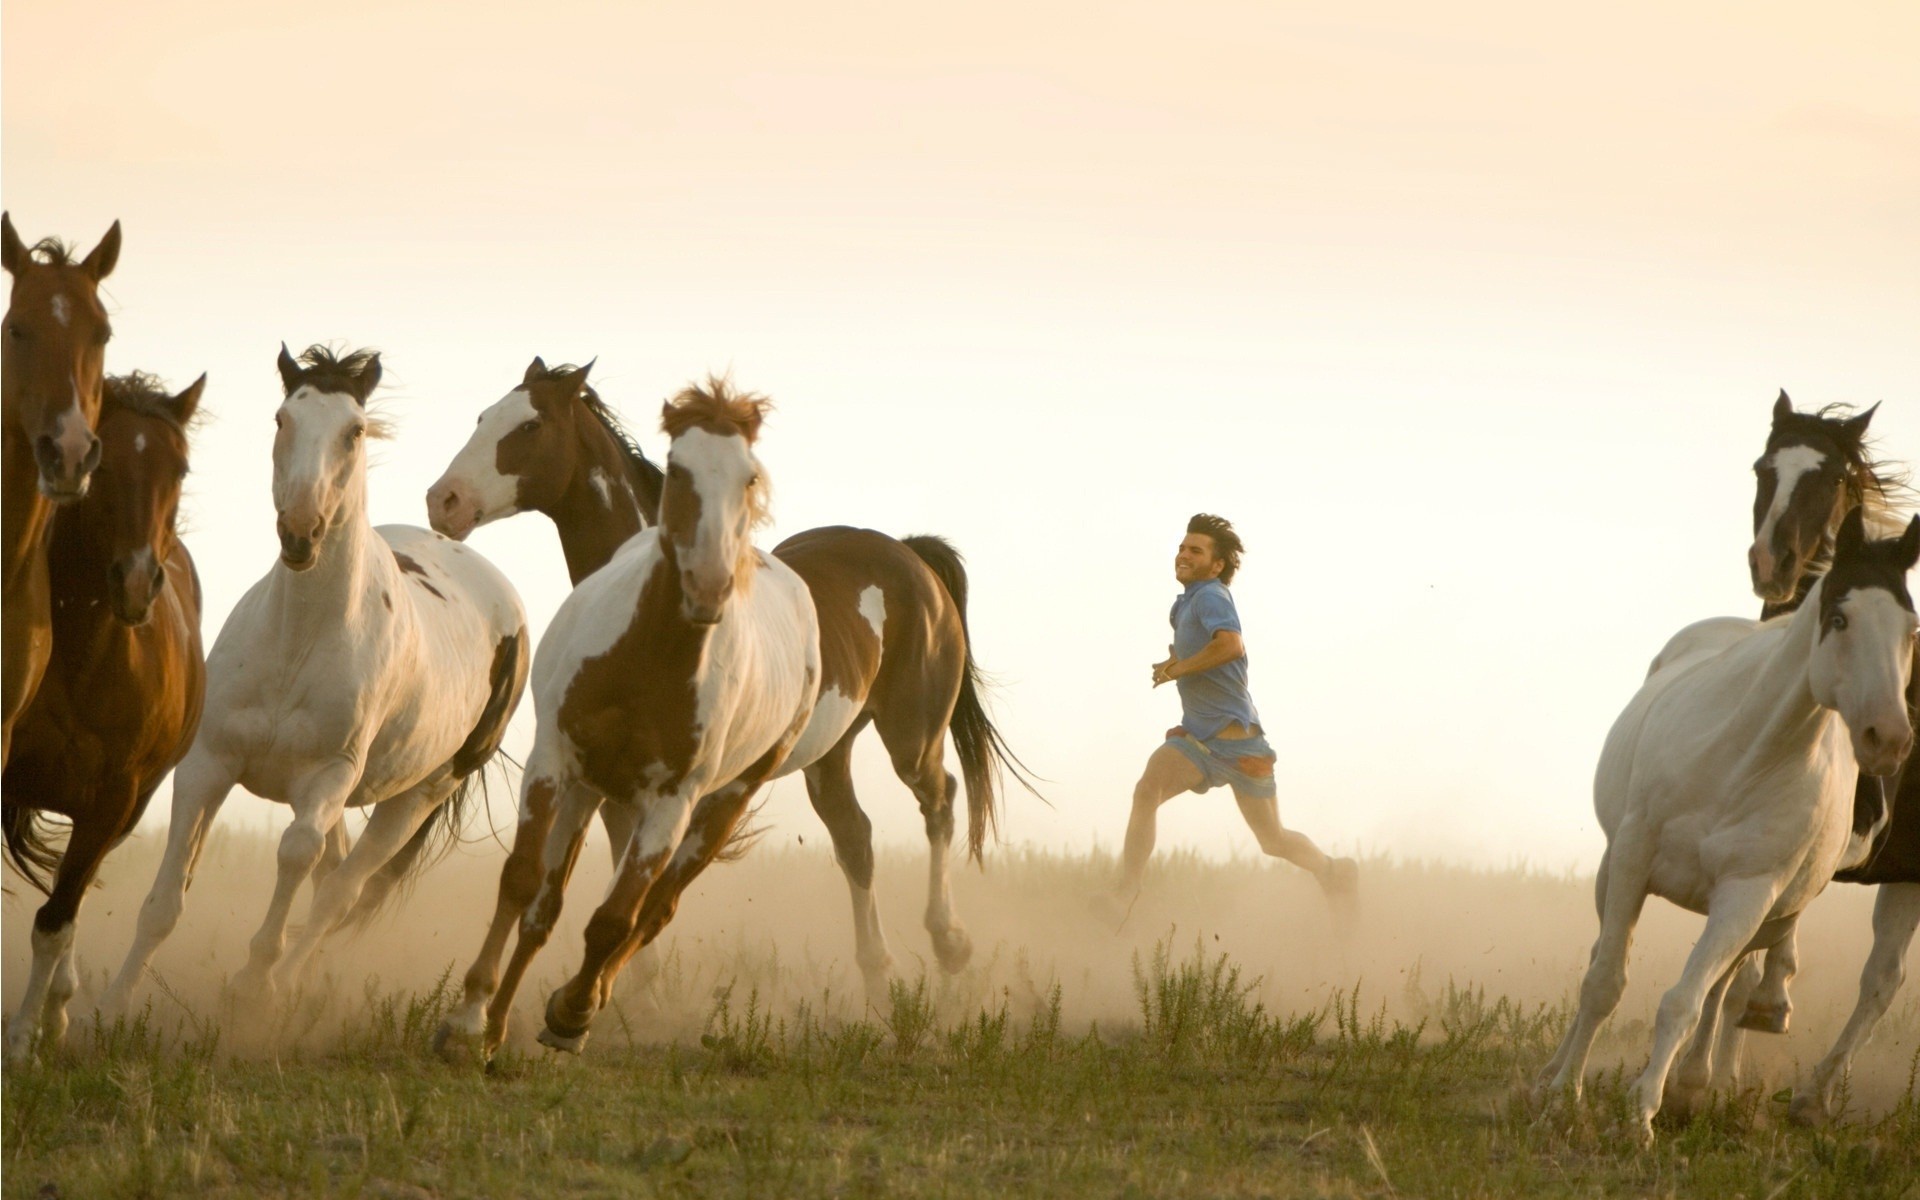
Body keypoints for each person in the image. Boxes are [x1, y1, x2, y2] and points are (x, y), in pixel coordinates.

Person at [1100, 513, 1356, 923]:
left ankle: (1334, 872)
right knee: (1147, 790)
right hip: (1199, 742)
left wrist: (1180, 670)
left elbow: (1231, 646)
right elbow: (1201, 651)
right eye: (1182, 547)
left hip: (1241, 746)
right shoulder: (1184, 604)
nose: (1183, 555)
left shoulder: (1211, 596)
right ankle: (1125, 892)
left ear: (1216, 564)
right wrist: (1173, 662)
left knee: (1272, 840)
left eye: (1195, 550)